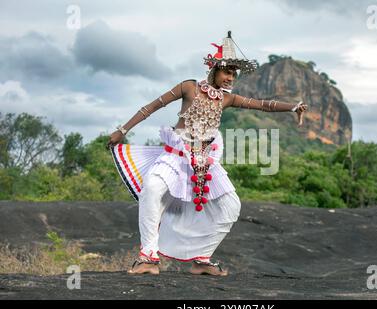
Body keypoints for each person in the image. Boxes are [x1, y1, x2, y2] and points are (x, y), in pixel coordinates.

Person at [107, 31, 308, 276]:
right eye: (226, 72)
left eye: (234, 74)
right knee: (152, 187)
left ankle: (202, 259)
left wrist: (293, 107)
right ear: (213, 70)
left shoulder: (228, 98)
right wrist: (122, 129)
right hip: (175, 157)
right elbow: (152, 106)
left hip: (204, 163)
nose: (230, 77)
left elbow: (264, 104)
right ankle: (148, 256)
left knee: (230, 206)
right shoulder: (188, 87)